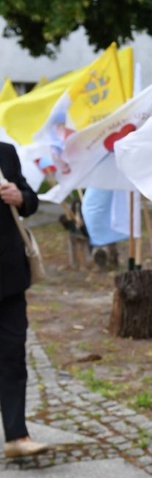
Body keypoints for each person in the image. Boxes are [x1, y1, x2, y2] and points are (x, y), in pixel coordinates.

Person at [0, 141, 48, 458]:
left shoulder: (5, 153)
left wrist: (21, 197)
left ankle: (17, 436)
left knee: (13, 356)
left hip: (8, 279)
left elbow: (31, 201)